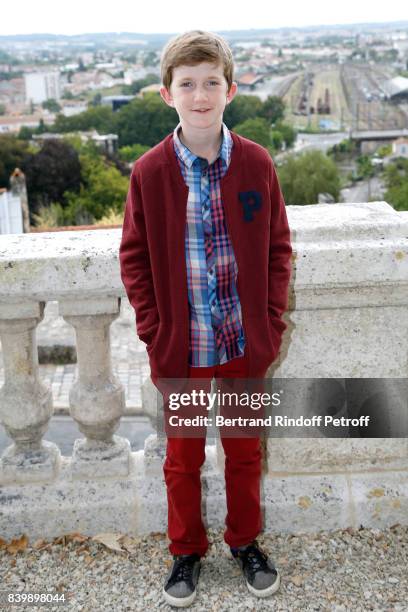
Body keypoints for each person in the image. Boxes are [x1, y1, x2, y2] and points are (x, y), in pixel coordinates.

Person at [119, 29, 292, 608]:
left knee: (245, 449)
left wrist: (269, 323)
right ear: (166, 94)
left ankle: (245, 541)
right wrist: (154, 331)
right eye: (187, 84)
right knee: (183, 455)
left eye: (210, 83)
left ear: (230, 90)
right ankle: (185, 551)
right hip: (186, 346)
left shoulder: (256, 164)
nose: (200, 95)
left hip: (243, 342)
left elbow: (277, 250)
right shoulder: (148, 173)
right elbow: (135, 259)